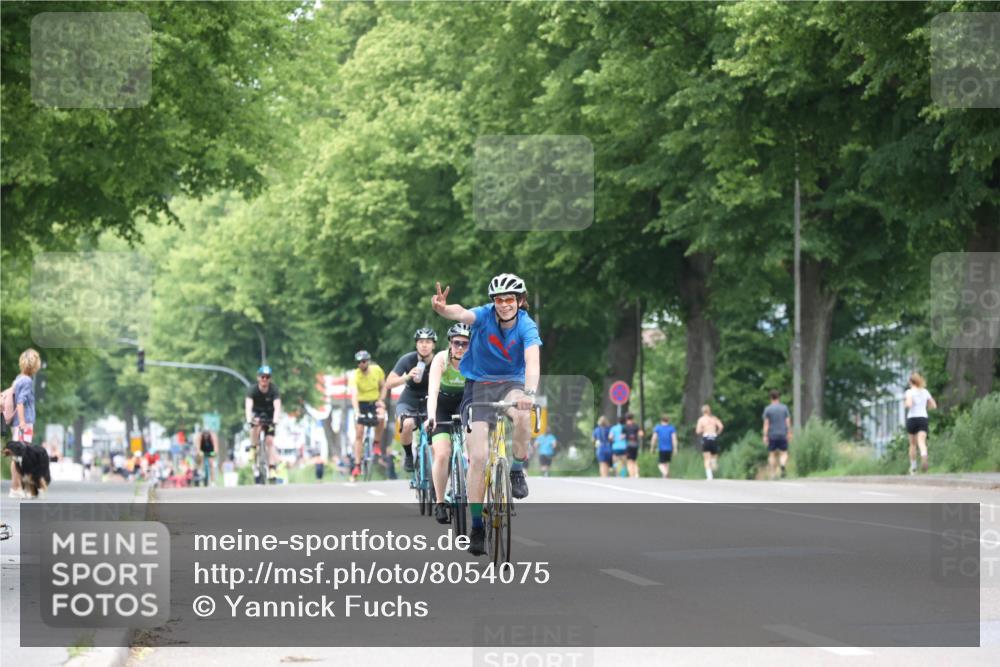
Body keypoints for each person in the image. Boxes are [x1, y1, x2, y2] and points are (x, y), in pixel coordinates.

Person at [431, 273, 541, 556]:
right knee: (478, 457)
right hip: (479, 386)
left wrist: (529, 394)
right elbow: (462, 313)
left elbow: (532, 360)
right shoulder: (483, 315)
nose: (504, 304)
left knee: (522, 415)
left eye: (510, 299)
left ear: (520, 301)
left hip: (512, 384)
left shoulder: (527, 326)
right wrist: (445, 310)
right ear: (494, 302)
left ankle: (516, 470)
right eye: (499, 299)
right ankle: (477, 525)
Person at [424, 322, 471, 524]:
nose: (460, 347)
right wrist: (431, 416)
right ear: (450, 343)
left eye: (465, 344)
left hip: (464, 403)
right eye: (456, 343)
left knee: (474, 449)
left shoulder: (475, 360)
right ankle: (440, 502)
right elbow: (433, 392)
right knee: (442, 454)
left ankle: (469, 484)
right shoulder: (440, 360)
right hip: (442, 405)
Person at [383, 328, 437, 474]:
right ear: (416, 344)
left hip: (431, 399)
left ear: (434, 345)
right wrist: (406, 377)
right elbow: (388, 383)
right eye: (420, 342)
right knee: (406, 424)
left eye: (428, 342)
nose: (424, 345)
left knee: (436, 433)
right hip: (409, 398)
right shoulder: (407, 359)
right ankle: (408, 455)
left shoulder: (439, 359)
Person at [8, 348, 41, 499]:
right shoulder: (27, 381)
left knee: (17, 456)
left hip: (18, 423)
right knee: (20, 456)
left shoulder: (18, 378)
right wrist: (22, 422)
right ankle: (16, 488)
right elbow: (20, 402)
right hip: (24, 423)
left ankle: (16, 487)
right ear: (35, 365)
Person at [348, 351, 386, 480]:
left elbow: (383, 386)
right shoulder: (354, 375)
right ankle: (357, 465)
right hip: (361, 403)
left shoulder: (377, 370)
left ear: (368, 361)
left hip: (374, 401)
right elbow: (354, 394)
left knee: (381, 416)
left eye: (363, 361)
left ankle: (376, 443)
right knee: (359, 433)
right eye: (358, 362)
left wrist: (381, 400)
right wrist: (356, 410)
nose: (361, 364)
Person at [245, 365, 282, 482]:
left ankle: (271, 468)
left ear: (270, 378)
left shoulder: (274, 390)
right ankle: (253, 447)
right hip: (257, 413)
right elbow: (248, 406)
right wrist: (249, 419)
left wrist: (275, 420)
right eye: (262, 377)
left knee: (270, 441)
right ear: (258, 378)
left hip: (270, 415)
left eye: (267, 377)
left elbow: (277, 406)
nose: (264, 379)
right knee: (254, 425)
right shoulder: (252, 390)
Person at [904, 372, 936, 474]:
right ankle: (924, 455)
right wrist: (925, 407)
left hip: (912, 419)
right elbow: (933, 405)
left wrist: (906, 404)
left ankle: (913, 468)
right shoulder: (925, 391)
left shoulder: (909, 392)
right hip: (923, 418)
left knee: (912, 444)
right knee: (921, 441)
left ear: (910, 382)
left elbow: (909, 404)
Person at [762, 390, 793, 479]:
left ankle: (773, 474)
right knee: (784, 453)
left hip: (772, 434)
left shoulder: (768, 409)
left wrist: (765, 435)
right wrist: (789, 432)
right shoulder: (784, 408)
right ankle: (782, 465)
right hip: (783, 434)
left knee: (772, 454)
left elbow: (766, 424)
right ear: (779, 397)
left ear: (770, 398)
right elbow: (787, 421)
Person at [695, 404, 724, 480]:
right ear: (709, 411)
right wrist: (717, 432)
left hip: (706, 438)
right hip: (714, 437)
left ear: (702, 411)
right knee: (714, 457)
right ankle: (714, 466)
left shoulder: (701, 420)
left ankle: (709, 476)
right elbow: (721, 426)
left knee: (706, 458)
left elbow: (697, 431)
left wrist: (703, 429)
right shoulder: (714, 418)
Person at [650, 414, 678, 479]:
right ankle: (666, 477)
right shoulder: (671, 428)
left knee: (660, 464)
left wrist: (652, 447)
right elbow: (674, 439)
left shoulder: (658, 428)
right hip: (669, 448)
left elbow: (654, 438)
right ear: (668, 421)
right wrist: (675, 448)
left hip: (661, 448)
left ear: (661, 420)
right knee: (666, 463)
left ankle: (665, 473)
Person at [622, 412, 644, 479]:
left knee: (629, 461)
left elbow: (622, 437)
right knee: (634, 460)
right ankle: (637, 474)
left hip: (628, 444)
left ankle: (631, 475)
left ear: (626, 419)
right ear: (632, 418)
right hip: (635, 444)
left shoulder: (625, 427)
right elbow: (641, 434)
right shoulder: (636, 426)